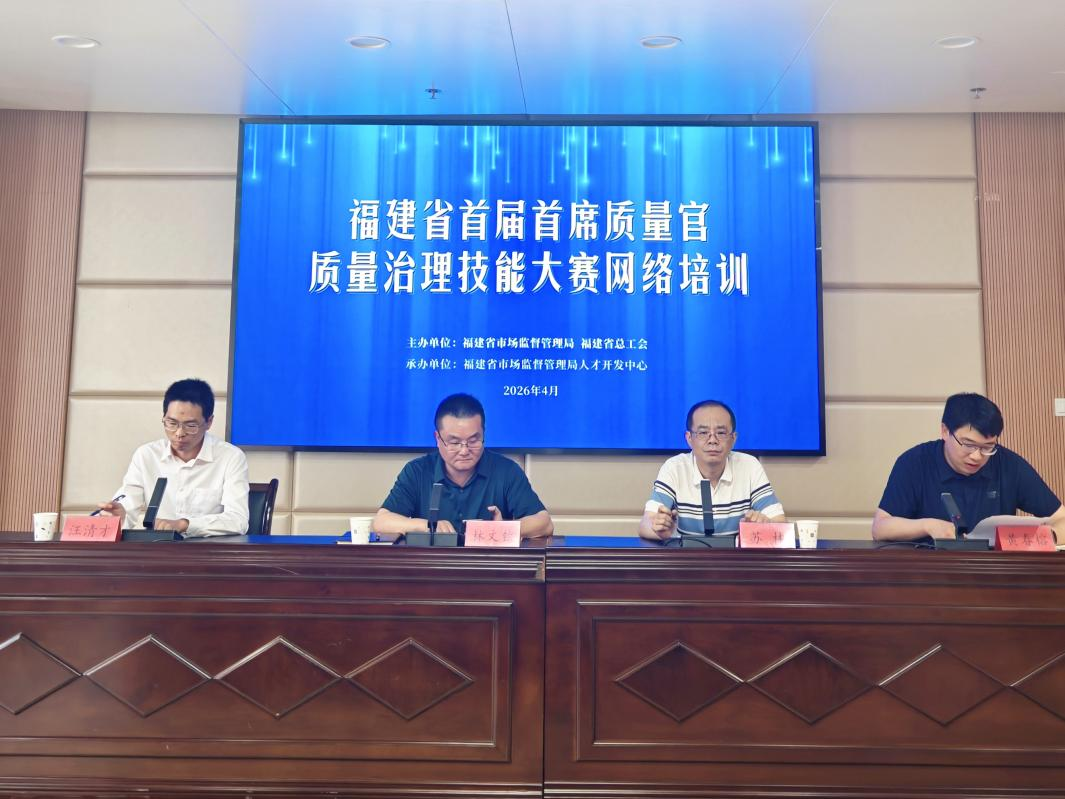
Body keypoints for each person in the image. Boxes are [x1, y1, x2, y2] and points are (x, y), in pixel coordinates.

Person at [872, 392, 1065, 542]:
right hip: (928, 573)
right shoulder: (915, 462)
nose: (977, 456)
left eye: (987, 447)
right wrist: (927, 526)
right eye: (968, 444)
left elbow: (1061, 519)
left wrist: (1046, 537)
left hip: (994, 573)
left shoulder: (1009, 465)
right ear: (945, 431)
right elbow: (880, 528)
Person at [374, 393, 553, 538]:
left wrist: (504, 529)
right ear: (438, 439)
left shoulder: (506, 471)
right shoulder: (417, 471)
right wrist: (427, 526)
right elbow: (381, 522)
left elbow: (544, 523)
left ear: (483, 434)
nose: (464, 450)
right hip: (431, 567)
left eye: (473, 440)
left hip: (489, 567)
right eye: (454, 442)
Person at [96, 378, 250, 536]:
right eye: (171, 423)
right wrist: (119, 517)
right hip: (158, 548)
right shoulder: (147, 455)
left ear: (209, 422)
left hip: (208, 549)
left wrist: (185, 524)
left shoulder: (230, 457)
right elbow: (127, 505)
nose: (179, 433)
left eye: (190, 426)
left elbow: (238, 521)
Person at [640, 399, 785, 541]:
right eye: (703, 433)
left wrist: (764, 527)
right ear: (689, 438)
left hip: (736, 555)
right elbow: (646, 524)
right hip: (688, 555)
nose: (712, 440)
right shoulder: (675, 468)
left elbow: (781, 526)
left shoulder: (749, 466)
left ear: (733, 438)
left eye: (721, 433)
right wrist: (659, 530)